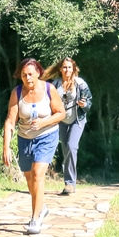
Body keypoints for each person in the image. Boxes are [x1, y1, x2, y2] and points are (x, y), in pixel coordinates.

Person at [3, 57, 66, 234]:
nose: (28, 78)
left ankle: (35, 219)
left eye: (30, 74)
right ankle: (41, 207)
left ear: (38, 73)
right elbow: (10, 121)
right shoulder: (17, 93)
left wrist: (43, 123)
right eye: (24, 75)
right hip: (25, 138)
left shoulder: (49, 89)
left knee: (38, 175)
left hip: (47, 136)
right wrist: (6, 147)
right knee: (30, 178)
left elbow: (60, 113)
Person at [43, 57, 92, 194]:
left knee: (72, 146)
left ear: (74, 69)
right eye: (64, 67)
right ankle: (68, 182)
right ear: (60, 69)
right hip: (61, 121)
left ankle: (70, 184)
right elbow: (49, 103)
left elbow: (89, 102)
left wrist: (84, 105)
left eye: (69, 67)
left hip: (77, 119)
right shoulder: (54, 85)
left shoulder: (80, 84)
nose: (67, 70)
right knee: (66, 150)